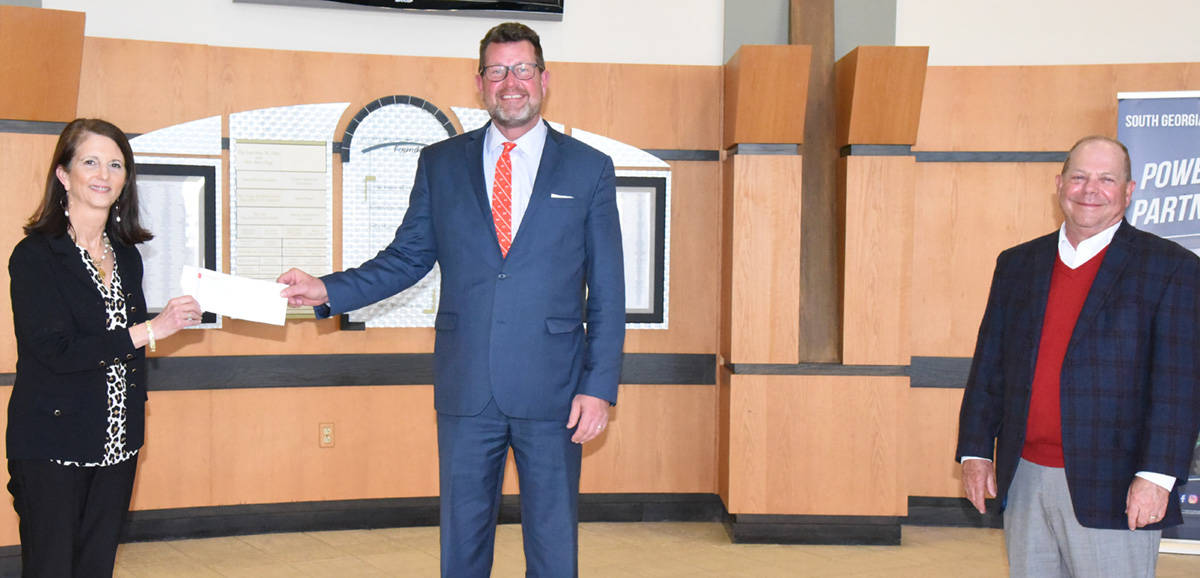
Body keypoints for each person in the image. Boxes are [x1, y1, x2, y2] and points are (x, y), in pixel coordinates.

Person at [278, 22, 624, 577]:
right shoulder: (441, 164)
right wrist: (327, 289)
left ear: (544, 78)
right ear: (480, 83)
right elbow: (406, 259)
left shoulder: (588, 168)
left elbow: (608, 289)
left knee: (554, 546)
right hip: (467, 390)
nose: (510, 83)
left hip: (555, 391)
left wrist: (598, 387)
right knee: (461, 547)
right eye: (497, 71)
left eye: (522, 69)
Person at [956, 135, 1200, 576]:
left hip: (1117, 482)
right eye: (1080, 177)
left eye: (1107, 179)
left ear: (1128, 191)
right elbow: (989, 364)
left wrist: (1157, 477)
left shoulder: (1172, 268)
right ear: (1059, 183)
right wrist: (975, 451)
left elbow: (1180, 385)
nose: (1091, 190)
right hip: (1025, 475)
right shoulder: (1017, 264)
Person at [7, 118, 203, 576]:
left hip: (118, 441)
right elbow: (55, 351)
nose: (104, 174)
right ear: (63, 174)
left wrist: (166, 324)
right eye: (90, 162)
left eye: (115, 164)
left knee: (96, 567)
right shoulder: (36, 255)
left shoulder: (125, 254)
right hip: (52, 442)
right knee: (53, 567)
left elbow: (120, 345)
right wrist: (151, 330)